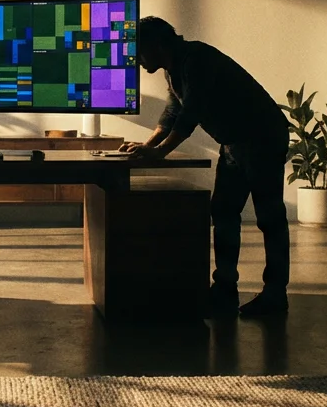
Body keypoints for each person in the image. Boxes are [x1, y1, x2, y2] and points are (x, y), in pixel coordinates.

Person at [118, 16, 290, 317]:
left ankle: (274, 295)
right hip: (235, 142)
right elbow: (174, 111)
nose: (136, 60)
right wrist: (148, 145)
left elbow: (191, 113)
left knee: (269, 218)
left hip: (261, 138)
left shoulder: (198, 59)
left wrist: (159, 153)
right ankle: (224, 290)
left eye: (139, 51)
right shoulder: (175, 67)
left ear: (157, 45)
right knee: (223, 212)